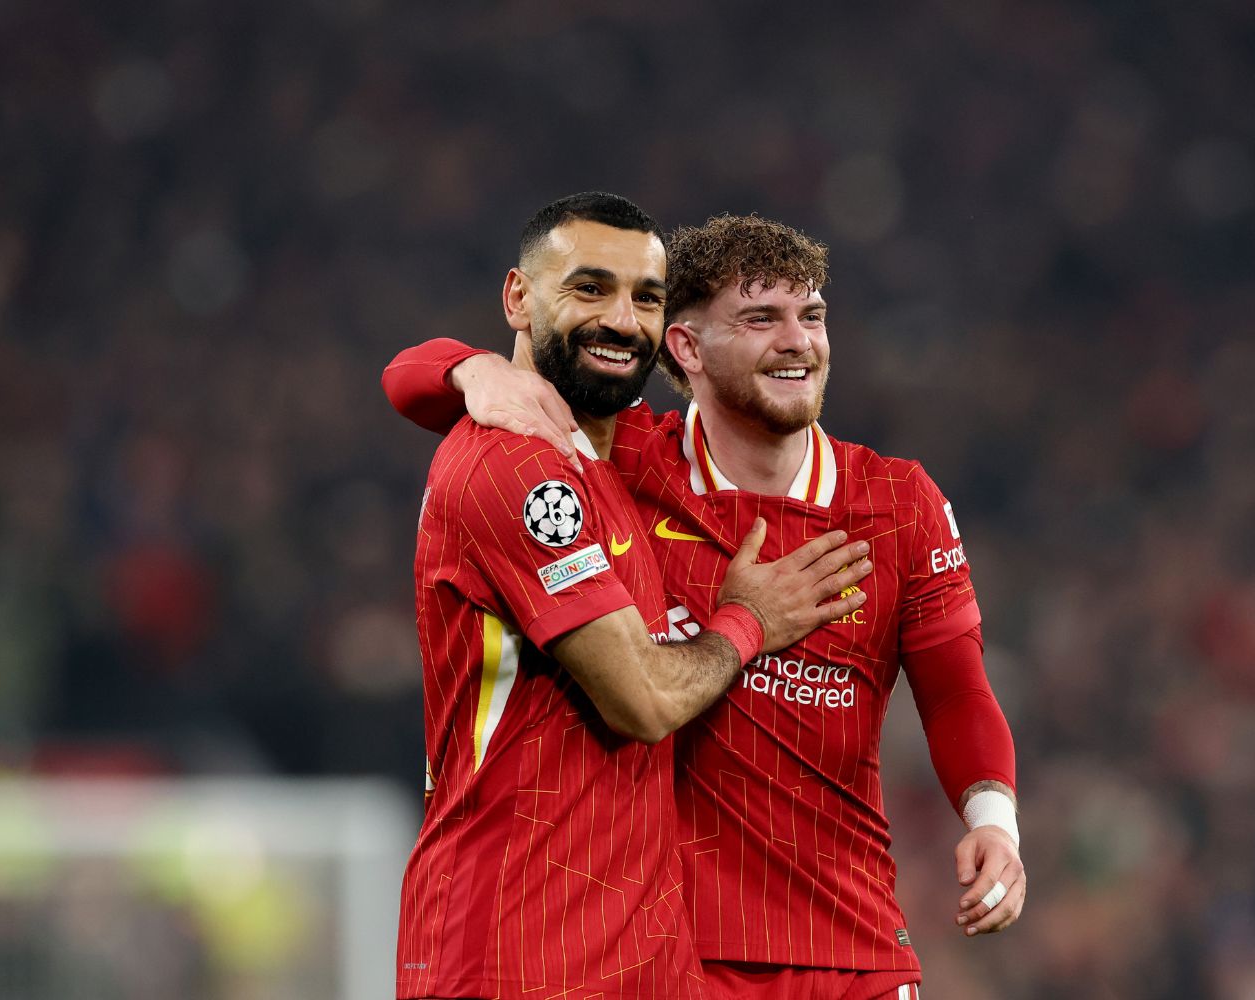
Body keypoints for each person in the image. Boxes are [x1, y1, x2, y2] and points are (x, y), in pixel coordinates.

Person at [385, 214, 1024, 1000]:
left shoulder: (897, 501)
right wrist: (469, 370)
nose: (798, 341)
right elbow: (410, 381)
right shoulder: (629, 466)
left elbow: (957, 687)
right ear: (684, 348)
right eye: (762, 319)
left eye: (812, 316)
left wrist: (993, 820)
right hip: (669, 953)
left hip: (851, 947)